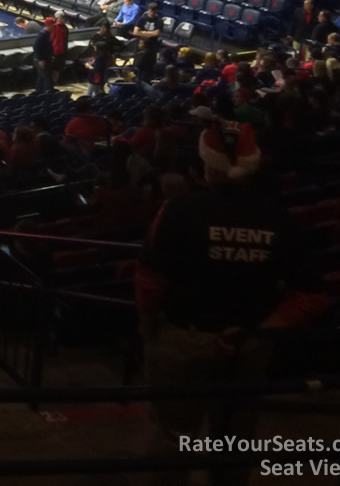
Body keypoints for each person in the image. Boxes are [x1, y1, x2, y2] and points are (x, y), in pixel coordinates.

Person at [136, 117, 323, 461]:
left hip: (183, 341)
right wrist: (260, 332)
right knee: (236, 441)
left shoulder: (177, 211)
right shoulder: (279, 218)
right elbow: (309, 296)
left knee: (172, 437)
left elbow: (149, 279)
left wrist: (148, 324)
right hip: (248, 346)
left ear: (207, 163)